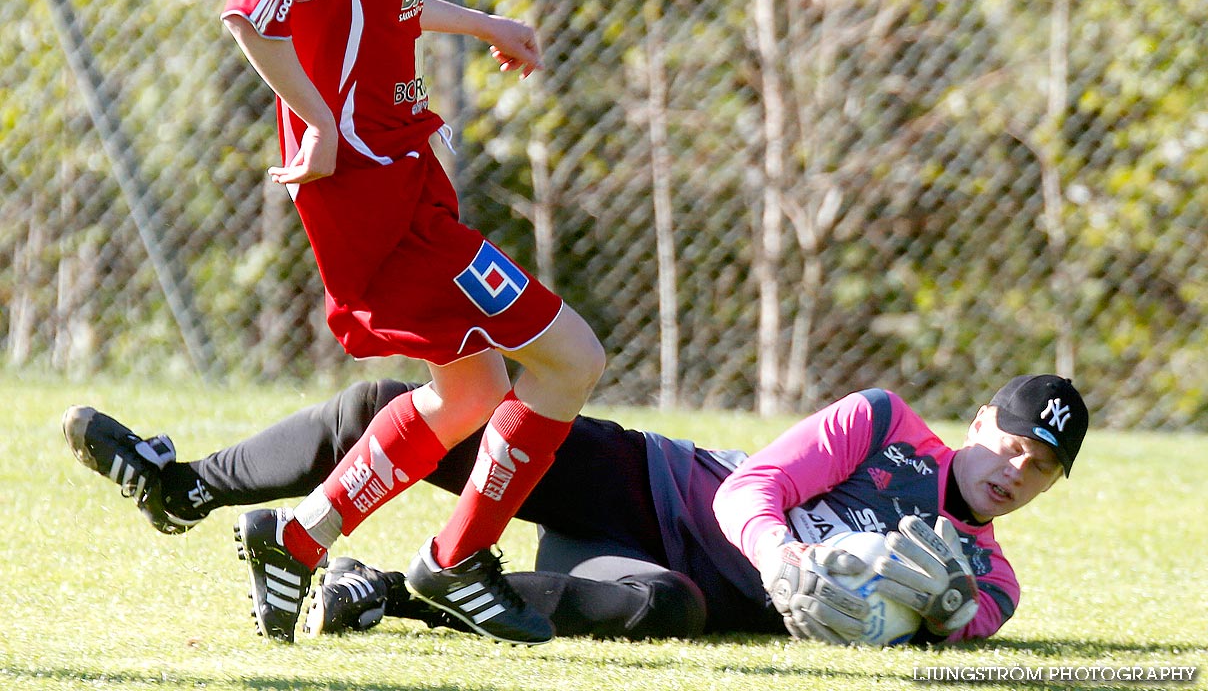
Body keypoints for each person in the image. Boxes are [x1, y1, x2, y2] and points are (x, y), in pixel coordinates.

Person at [215, 0, 606, 644]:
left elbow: (376, 3)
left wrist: (485, 26)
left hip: (401, 184)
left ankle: (298, 539)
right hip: (379, 199)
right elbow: (252, 11)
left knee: (470, 390)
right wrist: (317, 122)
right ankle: (455, 561)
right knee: (570, 361)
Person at [62, 374, 1089, 645]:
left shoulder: (989, 570)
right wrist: (781, 561)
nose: (1012, 467)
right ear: (973, 419)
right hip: (648, 482)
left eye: (1037, 468)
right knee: (420, 411)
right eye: (1007, 439)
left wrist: (945, 619)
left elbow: (972, 622)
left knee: (662, 607)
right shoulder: (882, 422)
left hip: (662, 575)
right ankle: (185, 482)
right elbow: (750, 488)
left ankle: (389, 594)